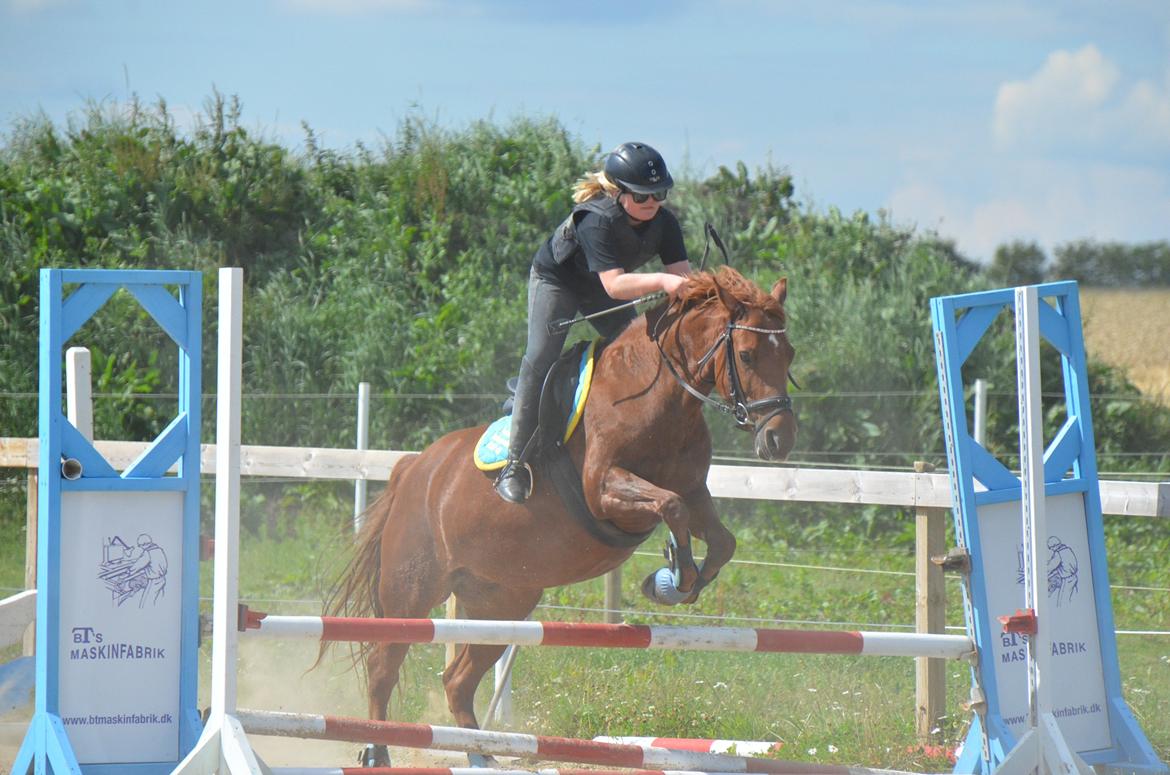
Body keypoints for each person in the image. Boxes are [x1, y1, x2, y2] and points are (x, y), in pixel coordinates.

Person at [495, 141, 692, 503]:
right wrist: (665, 283)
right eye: (643, 195)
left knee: (639, 353)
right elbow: (616, 285)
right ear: (618, 193)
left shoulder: (665, 223)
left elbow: (684, 279)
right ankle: (515, 463)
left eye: (659, 193)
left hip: (602, 286)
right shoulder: (596, 219)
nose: (653, 203)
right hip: (559, 283)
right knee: (541, 356)